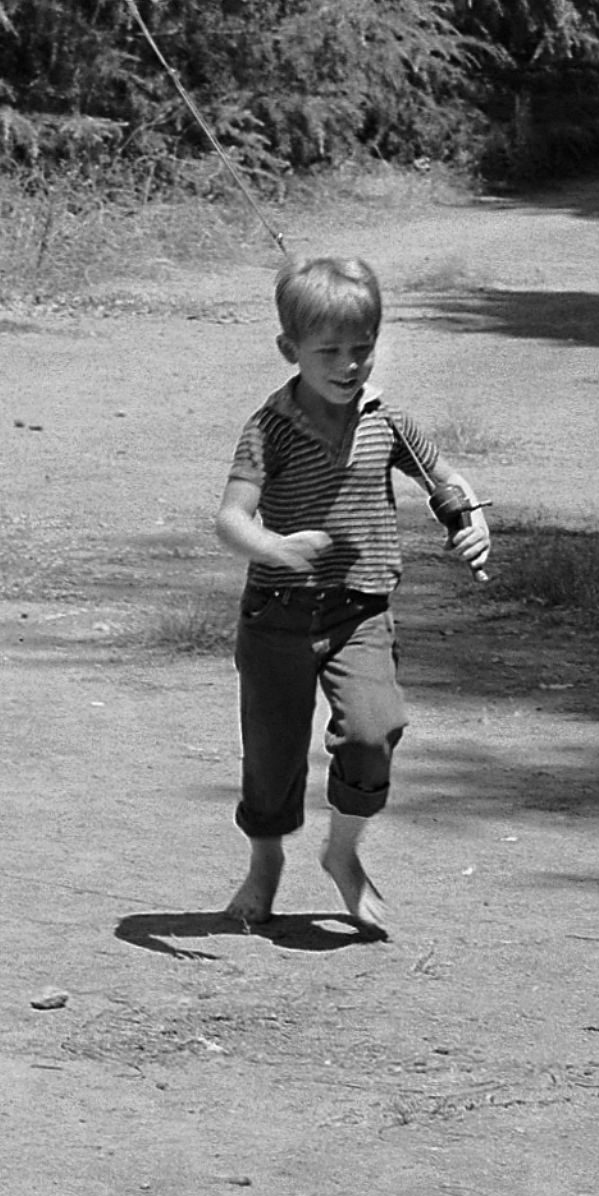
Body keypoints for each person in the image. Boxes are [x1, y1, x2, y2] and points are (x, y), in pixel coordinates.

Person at [215, 255, 490, 933]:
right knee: (273, 757)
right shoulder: (269, 428)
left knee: (373, 733)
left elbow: (446, 481)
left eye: (362, 349)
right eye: (329, 352)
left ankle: (342, 855)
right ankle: (264, 862)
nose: (348, 366)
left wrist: (473, 520)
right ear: (290, 350)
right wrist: (272, 547)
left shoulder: (385, 421)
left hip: (359, 612)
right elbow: (229, 520)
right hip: (276, 617)